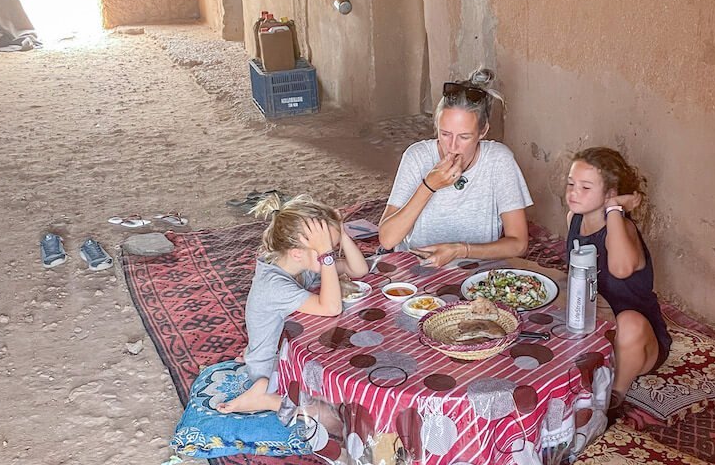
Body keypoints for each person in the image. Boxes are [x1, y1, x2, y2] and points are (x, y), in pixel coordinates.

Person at [216, 195, 368, 416]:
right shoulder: (274, 285)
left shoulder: (299, 265)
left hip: (286, 353)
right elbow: (331, 308)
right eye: (326, 250)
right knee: (333, 415)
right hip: (272, 369)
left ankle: (263, 391)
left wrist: (341, 232)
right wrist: (325, 255)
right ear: (297, 253)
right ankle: (265, 399)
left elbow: (358, 270)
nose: (331, 255)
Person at [379, 72, 532, 267]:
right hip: (418, 270)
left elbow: (519, 244)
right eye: (445, 134)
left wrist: (460, 250)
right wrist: (429, 186)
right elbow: (387, 239)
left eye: (464, 137)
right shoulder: (417, 157)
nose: (452, 146)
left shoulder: (498, 160)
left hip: (477, 273)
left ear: (483, 131)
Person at [565, 148, 671, 421]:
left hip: (635, 340)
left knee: (630, 322)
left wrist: (614, 209)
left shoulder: (623, 230)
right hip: (595, 325)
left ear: (610, 193)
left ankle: (614, 397)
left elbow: (621, 270)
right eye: (571, 184)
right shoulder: (574, 220)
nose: (574, 192)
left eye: (586, 187)